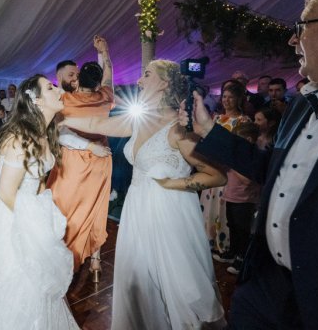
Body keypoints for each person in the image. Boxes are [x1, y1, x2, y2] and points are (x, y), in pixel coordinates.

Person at [182, 0, 318, 329]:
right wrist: (210, 130)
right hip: (264, 287)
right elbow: (270, 170)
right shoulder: (304, 102)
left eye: (303, 25)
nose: (292, 39)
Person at [62, 59, 227, 329]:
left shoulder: (179, 127)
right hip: (137, 209)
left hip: (169, 213)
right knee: (139, 282)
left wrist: (175, 184)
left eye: (146, 75)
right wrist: (59, 118)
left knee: (178, 284)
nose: (138, 81)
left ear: (164, 83)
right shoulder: (139, 120)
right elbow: (95, 123)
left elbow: (217, 175)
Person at [0, 74, 79, 330]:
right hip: (6, 206)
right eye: (51, 88)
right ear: (37, 101)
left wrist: (43, 213)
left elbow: (39, 180)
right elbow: (6, 192)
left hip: (28, 202)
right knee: (23, 274)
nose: (59, 90)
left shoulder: (47, 132)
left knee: (39, 272)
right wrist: (34, 228)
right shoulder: (21, 138)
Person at [47, 35, 115, 279]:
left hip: (73, 159)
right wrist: (104, 52)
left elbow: (60, 132)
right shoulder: (106, 97)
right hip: (101, 157)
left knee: (67, 205)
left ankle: (68, 254)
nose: (74, 78)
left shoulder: (64, 101)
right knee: (95, 206)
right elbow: (108, 75)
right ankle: (95, 259)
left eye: (77, 75)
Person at [202, 81, 250, 257]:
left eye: (231, 97)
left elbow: (242, 148)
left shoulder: (244, 120)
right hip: (213, 167)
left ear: (239, 99)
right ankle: (209, 240)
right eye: (224, 97)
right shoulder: (216, 118)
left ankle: (225, 244)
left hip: (229, 170)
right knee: (210, 204)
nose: (227, 100)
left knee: (224, 209)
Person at [222, 122, 260, 276]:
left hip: (245, 200)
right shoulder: (238, 154)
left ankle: (241, 258)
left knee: (242, 230)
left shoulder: (253, 156)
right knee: (232, 225)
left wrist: (232, 165)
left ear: (249, 139)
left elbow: (248, 180)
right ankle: (232, 252)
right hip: (231, 196)